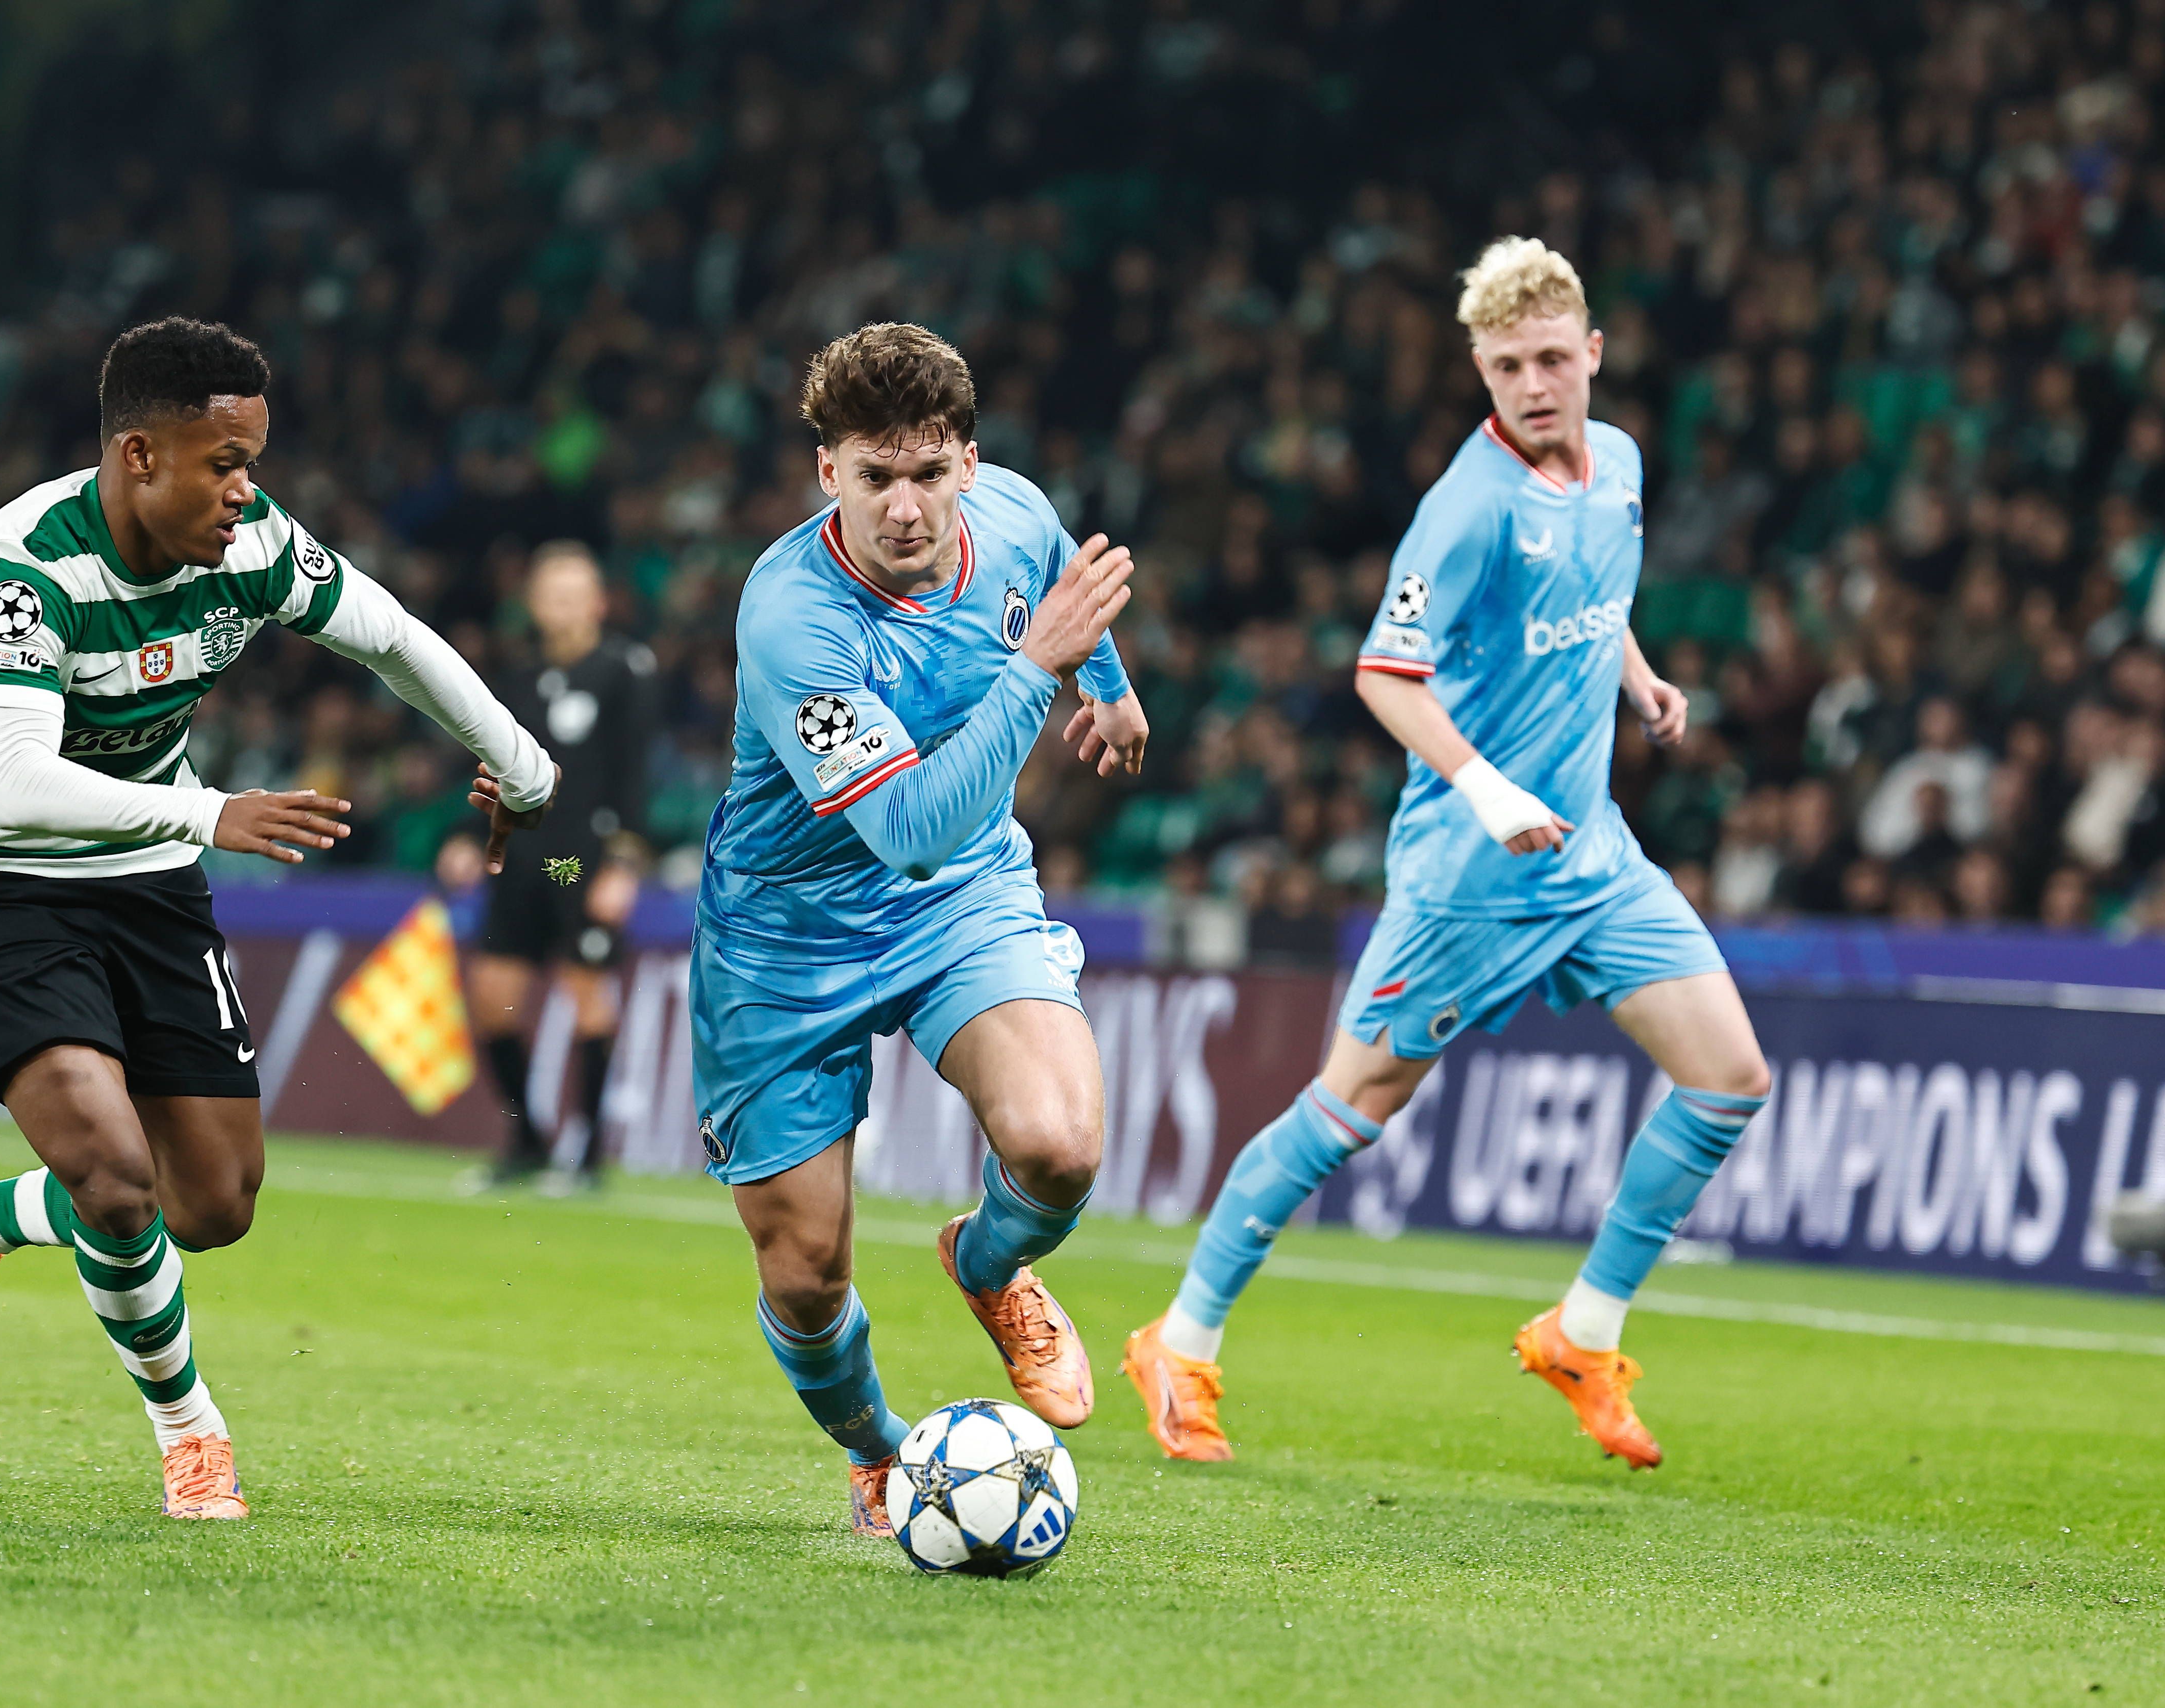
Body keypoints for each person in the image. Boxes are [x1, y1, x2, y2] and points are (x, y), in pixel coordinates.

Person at [1123, 239, 1773, 1470]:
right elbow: (1382, 673)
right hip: (1470, 879)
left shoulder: (1620, 463)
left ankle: (1583, 1334)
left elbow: (1595, 593)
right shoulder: (1466, 509)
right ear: (1480, 371)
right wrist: (1486, 789)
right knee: (1347, 1110)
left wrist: (1636, 678)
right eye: (1506, 366)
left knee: (1728, 1077)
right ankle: (1181, 1340)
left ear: (1591, 353)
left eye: (1550, 359)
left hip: (1592, 858)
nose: (1532, 385)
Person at [0, 317, 554, 1519]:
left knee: (212, 1205)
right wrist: (211, 812)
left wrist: (522, 767)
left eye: (254, 461)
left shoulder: (254, 546)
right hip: (2, 873)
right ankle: (190, 1433)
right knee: (112, 1177)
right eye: (225, 463)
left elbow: (393, 639)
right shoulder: (29, 564)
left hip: (148, 872)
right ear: (139, 455)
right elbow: (21, 779)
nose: (247, 489)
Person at [692, 322, 1148, 1536]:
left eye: (930, 473)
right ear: (826, 472)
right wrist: (1041, 671)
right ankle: (883, 1453)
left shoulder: (1014, 512)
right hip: (786, 942)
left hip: (959, 904)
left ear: (968, 463)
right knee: (806, 1274)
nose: (905, 507)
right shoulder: (793, 619)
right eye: (874, 476)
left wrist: (1106, 690)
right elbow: (906, 827)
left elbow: (1060, 585)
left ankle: (987, 1264)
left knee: (1058, 1147)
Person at [469, 539, 657, 1186]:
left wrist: (624, 864)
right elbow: (490, 766)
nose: (564, 606)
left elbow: (636, 773)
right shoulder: (518, 677)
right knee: (491, 999)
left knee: (586, 992)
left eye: (576, 595)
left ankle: (590, 1153)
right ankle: (527, 1139)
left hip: (577, 861)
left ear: (599, 602)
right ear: (533, 604)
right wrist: (468, 835)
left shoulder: (625, 670)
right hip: (523, 857)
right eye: (553, 595)